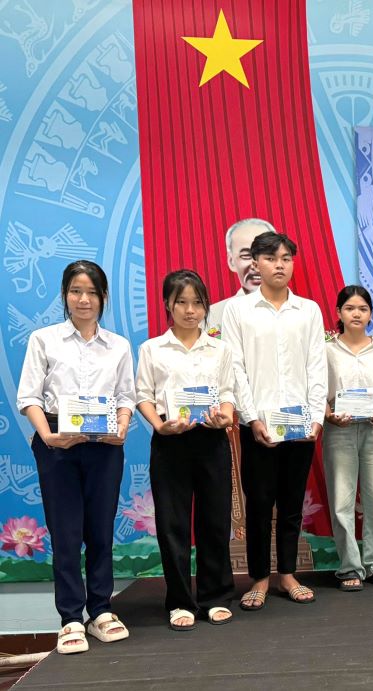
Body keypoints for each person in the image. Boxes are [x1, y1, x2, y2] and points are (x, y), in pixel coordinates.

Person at [16, 260, 134, 654]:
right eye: (75, 291)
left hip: (103, 447)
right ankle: (70, 618)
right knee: (66, 534)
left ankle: (101, 610)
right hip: (56, 445)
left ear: (103, 297)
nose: (84, 300)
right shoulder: (44, 339)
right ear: (65, 295)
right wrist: (49, 436)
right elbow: (29, 396)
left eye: (92, 292)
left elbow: (126, 396)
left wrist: (121, 427)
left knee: (100, 531)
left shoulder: (118, 345)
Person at [221, 231, 327, 609]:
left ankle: (287, 574)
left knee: (292, 501)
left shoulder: (309, 310)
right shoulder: (238, 311)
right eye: (271, 258)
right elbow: (235, 367)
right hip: (260, 426)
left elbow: (317, 365)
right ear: (255, 265)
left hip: (301, 425)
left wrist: (316, 418)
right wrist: (252, 419)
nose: (279, 265)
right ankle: (260, 578)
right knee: (260, 502)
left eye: (286, 258)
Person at [135, 270, 237, 630]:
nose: (190, 310)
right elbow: (143, 396)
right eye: (182, 302)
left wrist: (224, 416)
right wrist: (159, 425)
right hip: (170, 441)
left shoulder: (220, 349)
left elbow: (227, 393)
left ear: (206, 306)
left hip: (211, 440)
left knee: (214, 519)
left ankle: (216, 596)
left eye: (197, 303)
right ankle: (179, 600)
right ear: (168, 304)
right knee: (172, 523)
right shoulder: (152, 349)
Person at [323, 285, 373, 591]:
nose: (357, 314)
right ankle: (349, 566)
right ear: (339, 312)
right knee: (341, 499)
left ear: (370, 314)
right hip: (338, 430)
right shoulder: (326, 349)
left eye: (363, 309)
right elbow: (317, 391)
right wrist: (328, 414)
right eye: (350, 308)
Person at [205, 218, 276, 331]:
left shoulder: (305, 311)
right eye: (246, 256)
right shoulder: (211, 317)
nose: (256, 264)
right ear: (231, 262)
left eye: (266, 254)